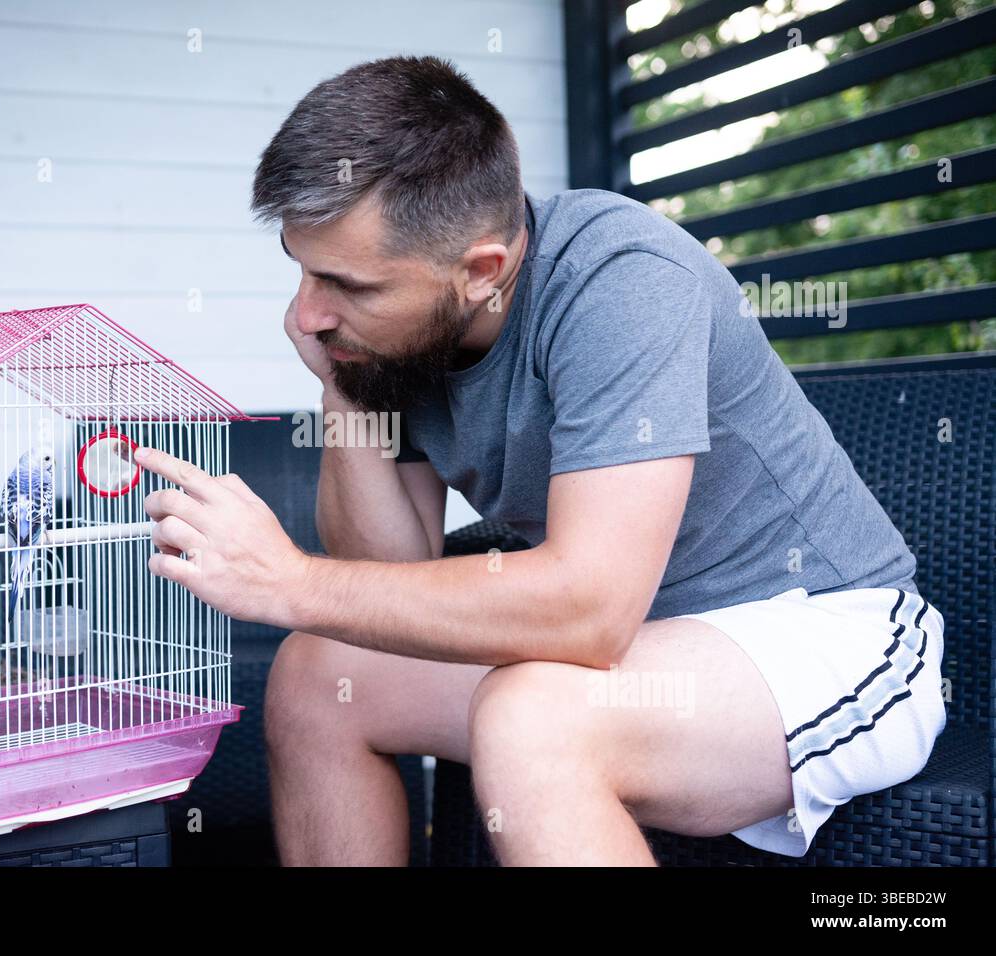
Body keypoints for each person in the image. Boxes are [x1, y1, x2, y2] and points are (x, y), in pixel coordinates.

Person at [133, 55, 947, 866]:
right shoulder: (402, 333)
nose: (305, 313)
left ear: (482, 270)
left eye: (348, 285)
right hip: (632, 650)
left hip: (818, 631)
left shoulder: (621, 279)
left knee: (533, 716)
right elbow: (381, 577)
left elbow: (589, 610)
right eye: (304, 270)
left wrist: (288, 580)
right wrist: (345, 386)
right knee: (319, 677)